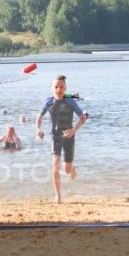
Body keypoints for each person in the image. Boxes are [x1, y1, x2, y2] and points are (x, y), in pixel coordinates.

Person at [36, 75, 88, 203]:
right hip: (55, 137)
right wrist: (38, 129)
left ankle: (72, 169)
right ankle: (58, 196)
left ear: (65, 88)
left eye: (61, 87)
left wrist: (73, 130)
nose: (58, 90)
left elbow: (82, 118)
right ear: (52, 88)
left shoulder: (70, 101)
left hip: (69, 136)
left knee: (67, 169)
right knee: (55, 164)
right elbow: (39, 117)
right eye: (56, 87)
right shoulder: (48, 102)